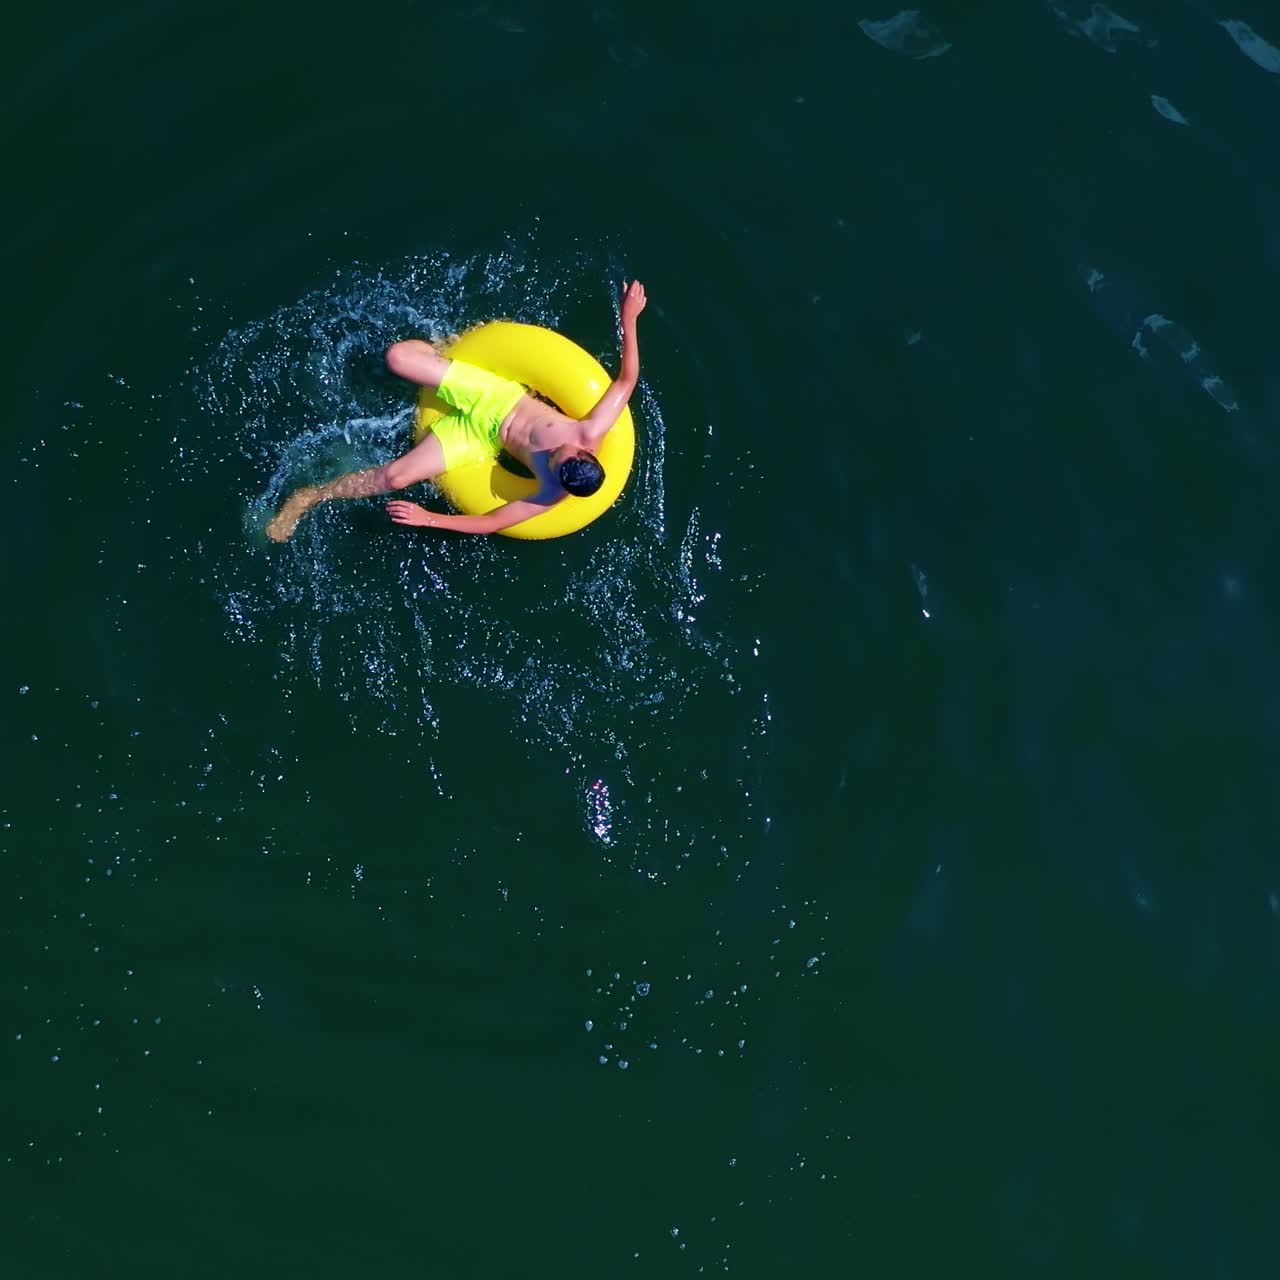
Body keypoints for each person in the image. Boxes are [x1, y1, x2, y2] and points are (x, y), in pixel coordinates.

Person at [266, 280, 648, 541]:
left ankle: (308, 497)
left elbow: (491, 522)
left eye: (553, 468)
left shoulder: (552, 492)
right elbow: (626, 380)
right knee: (398, 357)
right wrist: (629, 317)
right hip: (495, 397)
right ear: (582, 450)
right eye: (558, 458)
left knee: (397, 478)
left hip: (478, 440)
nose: (550, 461)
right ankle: (446, 349)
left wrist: (429, 518)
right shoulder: (589, 430)